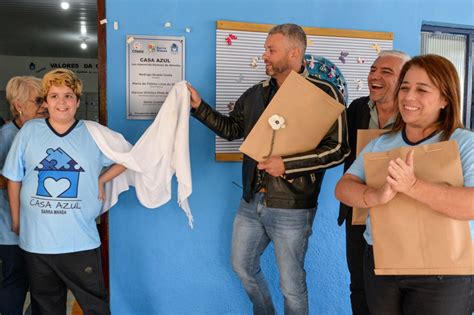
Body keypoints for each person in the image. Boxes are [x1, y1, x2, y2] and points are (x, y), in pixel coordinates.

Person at [188, 23, 350, 314]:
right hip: (251, 200)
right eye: (265, 49)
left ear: (294, 53)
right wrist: (199, 107)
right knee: (242, 266)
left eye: (270, 50)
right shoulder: (255, 94)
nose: (264, 55)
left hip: (293, 206)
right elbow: (231, 129)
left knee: (291, 284)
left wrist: (287, 165)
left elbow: (339, 149)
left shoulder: (326, 93)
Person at [335, 54, 473, 314]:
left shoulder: (464, 142)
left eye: (422, 90)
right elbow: (343, 187)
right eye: (405, 88)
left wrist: (412, 186)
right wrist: (376, 196)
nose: (409, 97)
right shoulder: (382, 143)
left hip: (442, 273)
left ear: (445, 98)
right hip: (382, 266)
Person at [2, 69, 125, 315]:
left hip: (80, 241)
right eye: (54, 96)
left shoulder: (93, 133)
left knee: (95, 308)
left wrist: (102, 179)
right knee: (46, 307)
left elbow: (130, 158)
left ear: (78, 101)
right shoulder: (29, 132)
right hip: (37, 244)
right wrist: (16, 220)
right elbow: (13, 179)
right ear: (46, 102)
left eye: (68, 96)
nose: (61, 102)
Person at [336, 50, 410, 315]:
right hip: (359, 214)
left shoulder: (413, 116)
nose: (375, 76)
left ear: (405, 80)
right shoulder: (356, 109)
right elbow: (336, 148)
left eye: (386, 72)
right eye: (373, 70)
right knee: (359, 286)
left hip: (401, 216)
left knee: (397, 290)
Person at [0, 76, 47, 315]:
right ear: (19, 105)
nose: (45, 106)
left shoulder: (37, 132)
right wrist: (15, 180)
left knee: (42, 285)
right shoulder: (7, 135)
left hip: (37, 227)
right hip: (12, 230)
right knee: (16, 283)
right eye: (38, 100)